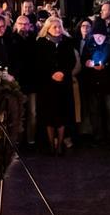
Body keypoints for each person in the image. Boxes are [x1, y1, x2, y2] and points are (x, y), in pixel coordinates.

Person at [35, 16, 78, 156]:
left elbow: (71, 61)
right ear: (48, 28)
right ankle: (50, 144)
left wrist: (63, 73)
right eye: (54, 27)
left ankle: (60, 143)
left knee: (62, 115)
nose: (58, 29)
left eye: (59, 27)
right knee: (49, 115)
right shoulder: (40, 43)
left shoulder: (67, 42)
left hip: (63, 84)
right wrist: (51, 74)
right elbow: (38, 63)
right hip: (47, 85)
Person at [10, 15, 39, 148]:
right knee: (18, 113)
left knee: (32, 113)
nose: (23, 26)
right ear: (16, 25)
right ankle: (17, 140)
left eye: (26, 24)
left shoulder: (34, 39)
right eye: (21, 24)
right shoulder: (11, 39)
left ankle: (31, 139)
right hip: (17, 82)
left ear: (30, 26)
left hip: (32, 81)